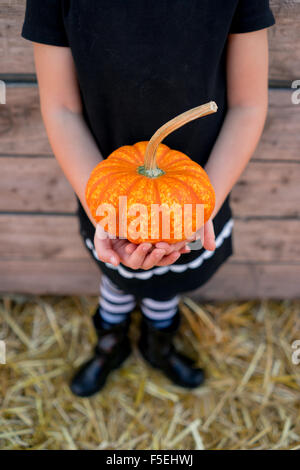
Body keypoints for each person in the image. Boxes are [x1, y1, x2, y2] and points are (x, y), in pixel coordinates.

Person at [22, 0, 275, 397]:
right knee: (118, 274)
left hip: (198, 192)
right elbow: (60, 109)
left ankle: (159, 341)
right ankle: (111, 339)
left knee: (169, 273)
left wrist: (198, 203)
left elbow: (248, 104)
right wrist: (105, 209)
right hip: (104, 189)